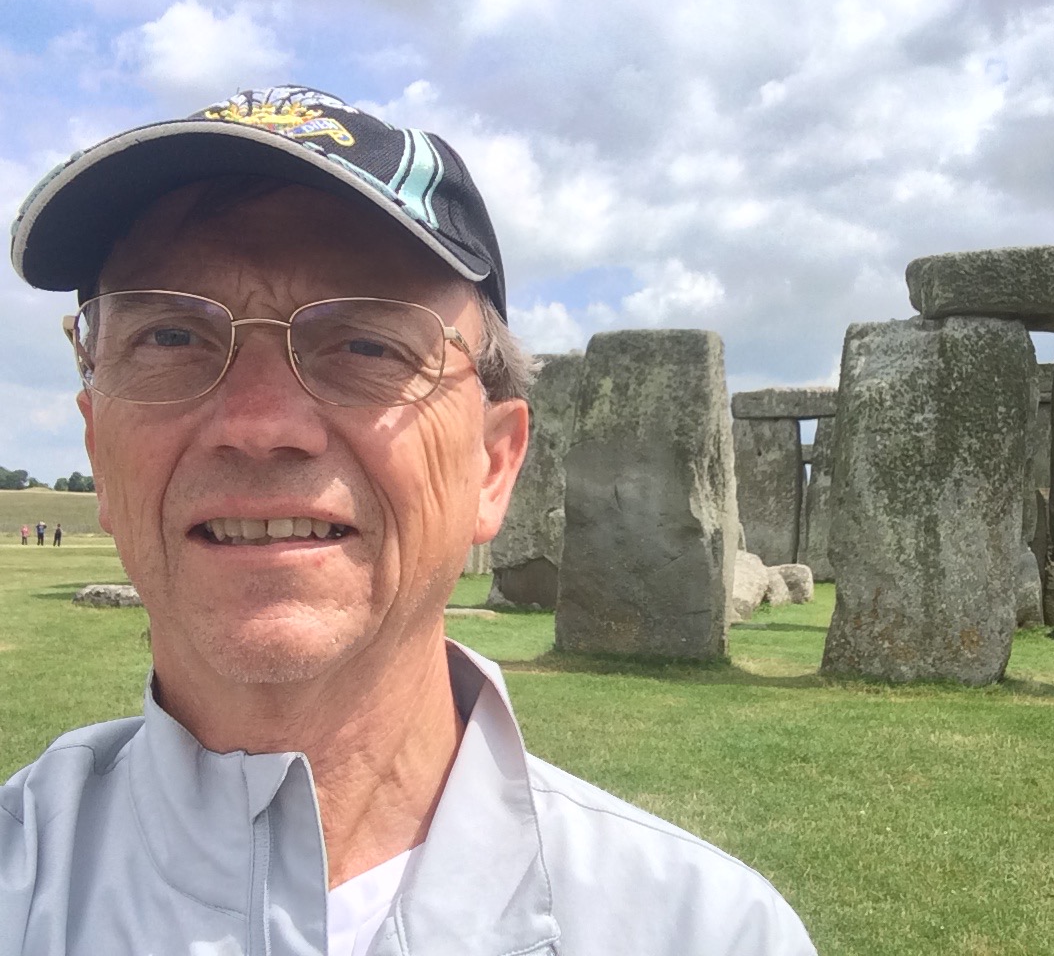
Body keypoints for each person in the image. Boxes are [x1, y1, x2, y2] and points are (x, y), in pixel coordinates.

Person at [2, 86, 816, 955]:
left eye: (367, 345)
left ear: (492, 466)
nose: (259, 423)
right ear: (96, 440)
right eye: (171, 337)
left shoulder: (706, 932)